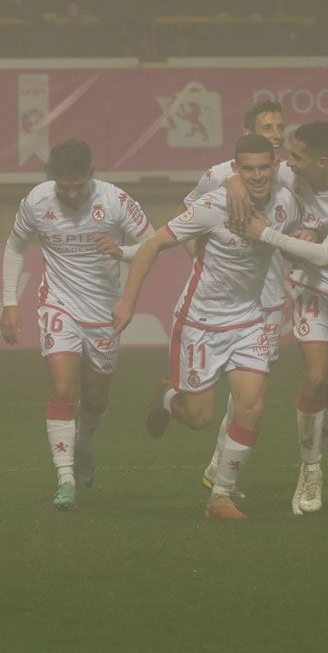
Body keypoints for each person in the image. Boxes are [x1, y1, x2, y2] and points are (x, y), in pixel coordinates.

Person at [113, 134, 301, 519]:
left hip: (250, 320)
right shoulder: (213, 206)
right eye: (248, 169)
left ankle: (220, 497)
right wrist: (128, 301)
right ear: (236, 169)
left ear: (274, 166)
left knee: (251, 405)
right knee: (200, 418)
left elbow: (300, 236)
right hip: (200, 323)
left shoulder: (287, 204)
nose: (258, 175)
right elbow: (151, 245)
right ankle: (167, 398)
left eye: (264, 167)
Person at [0, 140, 153, 512]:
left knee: (96, 398)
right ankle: (65, 479)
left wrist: (122, 253)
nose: (70, 193)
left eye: (77, 186)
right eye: (63, 186)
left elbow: (152, 243)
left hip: (104, 311)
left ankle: (84, 447)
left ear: (91, 174)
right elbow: (15, 247)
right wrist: (9, 303)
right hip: (58, 304)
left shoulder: (114, 201)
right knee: (64, 388)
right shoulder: (37, 200)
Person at [238, 121, 328, 516]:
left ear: (322, 161)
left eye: (296, 157)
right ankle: (311, 470)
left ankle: (312, 456)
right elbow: (238, 168)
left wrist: (267, 235)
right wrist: (235, 183)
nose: (287, 163)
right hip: (309, 285)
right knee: (315, 377)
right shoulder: (290, 172)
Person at [173, 101, 290, 494]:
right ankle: (219, 471)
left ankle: (219, 473)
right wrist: (202, 260)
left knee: (249, 399)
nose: (275, 134)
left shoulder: (290, 175)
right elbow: (185, 214)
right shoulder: (219, 175)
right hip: (222, 305)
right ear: (247, 132)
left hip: (269, 301)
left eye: (279, 126)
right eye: (266, 126)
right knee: (209, 409)